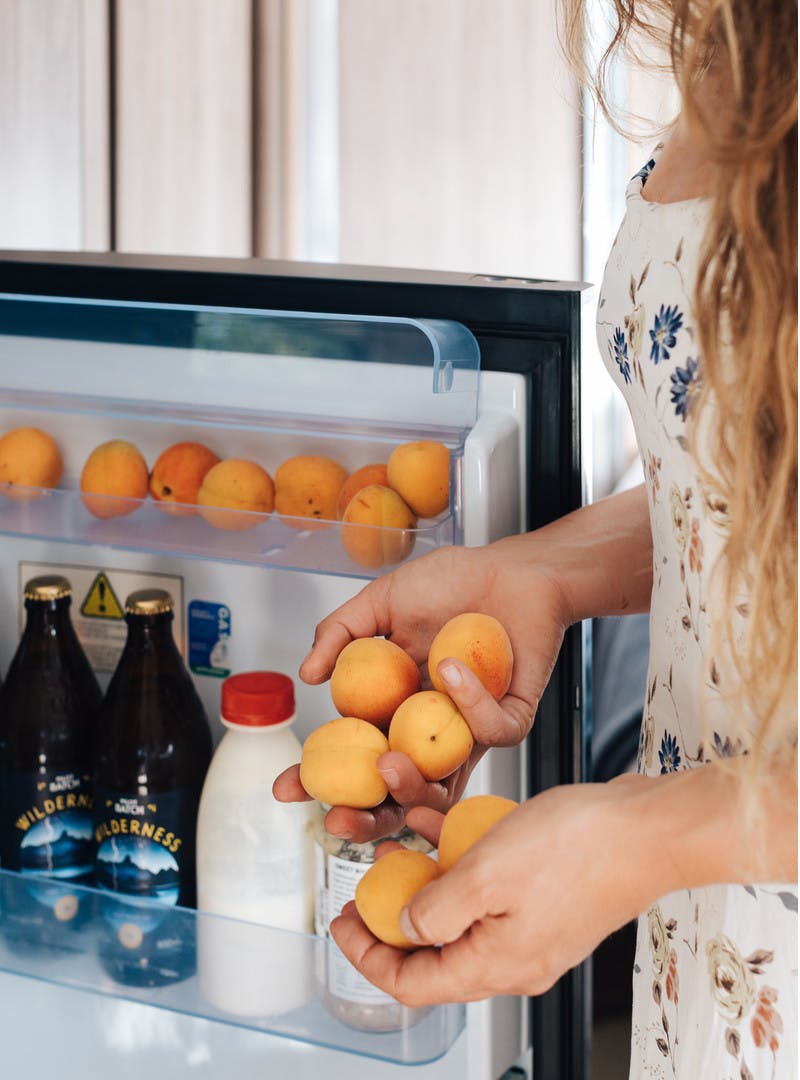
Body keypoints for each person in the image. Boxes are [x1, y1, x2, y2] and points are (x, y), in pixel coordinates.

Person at [274, 1, 798, 1075]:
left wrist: (638, 838)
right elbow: (742, 480)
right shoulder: (734, 42)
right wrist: (540, 573)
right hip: (712, 939)